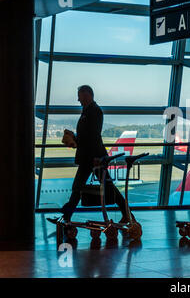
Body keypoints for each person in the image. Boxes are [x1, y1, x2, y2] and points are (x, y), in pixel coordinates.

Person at [48, 85, 132, 223]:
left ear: (87, 95)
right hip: (90, 157)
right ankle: (127, 213)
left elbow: (93, 136)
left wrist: (77, 141)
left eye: (80, 96)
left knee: (80, 187)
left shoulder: (94, 111)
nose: (78, 100)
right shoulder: (89, 111)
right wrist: (75, 138)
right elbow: (88, 135)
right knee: (96, 187)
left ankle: (67, 215)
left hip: (93, 158)